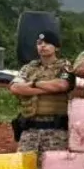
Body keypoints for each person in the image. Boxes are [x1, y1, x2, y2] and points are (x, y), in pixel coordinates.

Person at [8, 30, 74, 159]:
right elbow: (15, 88)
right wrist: (45, 88)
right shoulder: (28, 68)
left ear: (56, 47)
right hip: (30, 129)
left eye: (47, 43)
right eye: (39, 43)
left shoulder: (64, 66)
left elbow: (61, 85)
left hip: (56, 131)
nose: (43, 46)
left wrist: (33, 83)